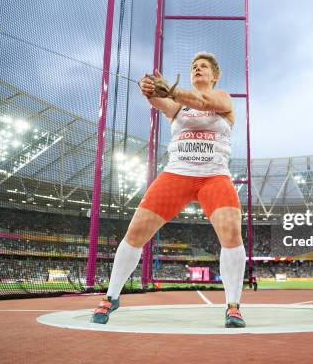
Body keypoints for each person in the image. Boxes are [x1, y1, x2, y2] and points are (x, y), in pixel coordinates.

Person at [92, 52, 246, 328]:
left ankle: (233, 306)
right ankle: (111, 297)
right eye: (194, 67)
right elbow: (157, 100)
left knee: (232, 233)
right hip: (177, 174)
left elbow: (202, 101)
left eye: (203, 67)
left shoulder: (222, 98)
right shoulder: (177, 106)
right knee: (136, 232)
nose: (197, 69)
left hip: (214, 177)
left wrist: (172, 91)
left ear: (215, 75)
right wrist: (147, 88)